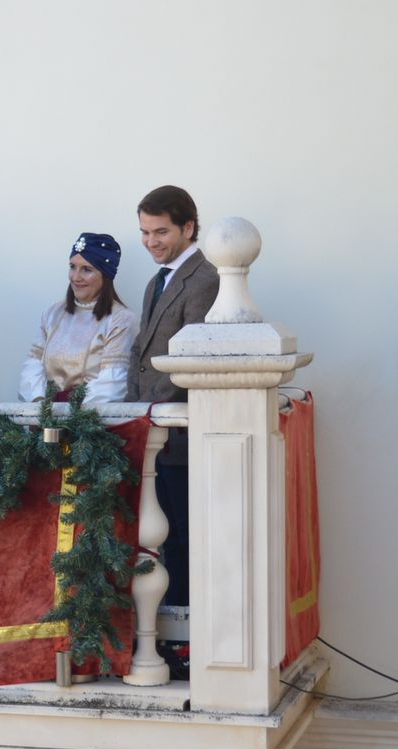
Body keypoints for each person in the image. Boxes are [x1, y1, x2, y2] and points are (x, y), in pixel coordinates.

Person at [126, 185, 220, 609]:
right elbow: (140, 354)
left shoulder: (205, 278)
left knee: (186, 541)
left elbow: (193, 359)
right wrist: (133, 414)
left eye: (160, 232)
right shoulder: (155, 281)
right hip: (154, 437)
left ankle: (186, 639)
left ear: (188, 226)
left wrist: (151, 414)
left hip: (180, 440)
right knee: (161, 542)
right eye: (145, 232)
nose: (151, 242)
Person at [18, 232, 137, 403]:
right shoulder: (52, 314)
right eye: (72, 266)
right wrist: (40, 404)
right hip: (46, 421)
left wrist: (68, 412)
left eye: (87, 270)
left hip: (92, 423)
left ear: (105, 274)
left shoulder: (121, 320)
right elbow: (32, 366)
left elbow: (112, 385)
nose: (76, 277)